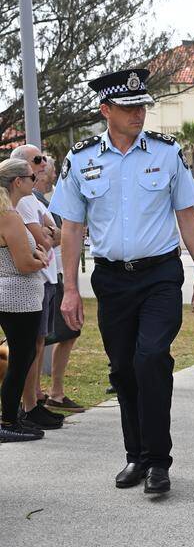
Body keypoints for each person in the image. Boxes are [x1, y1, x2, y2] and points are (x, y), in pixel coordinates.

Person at [49, 68, 194, 494]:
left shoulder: (165, 152)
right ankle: (135, 456)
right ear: (106, 111)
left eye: (142, 106)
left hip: (160, 274)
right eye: (129, 107)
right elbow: (70, 227)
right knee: (123, 368)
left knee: (151, 358)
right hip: (111, 280)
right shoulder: (81, 159)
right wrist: (70, 288)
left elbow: (186, 213)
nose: (139, 113)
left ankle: (159, 462)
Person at [10, 145, 64, 431]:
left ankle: (33, 402)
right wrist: (50, 234)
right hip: (33, 283)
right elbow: (45, 240)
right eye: (37, 160)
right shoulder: (23, 202)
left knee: (37, 344)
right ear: (20, 173)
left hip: (46, 280)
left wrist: (51, 234)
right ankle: (27, 406)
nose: (43, 164)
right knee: (30, 347)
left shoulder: (35, 199)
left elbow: (56, 234)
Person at [0, 159, 49, 442]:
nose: (36, 179)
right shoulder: (10, 216)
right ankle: (8, 420)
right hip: (18, 298)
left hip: (14, 296)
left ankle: (11, 416)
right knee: (21, 357)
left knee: (22, 355)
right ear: (18, 182)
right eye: (32, 176)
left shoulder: (9, 214)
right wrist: (40, 258)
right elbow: (23, 263)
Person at [33, 160, 84, 412]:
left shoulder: (46, 201)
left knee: (67, 333)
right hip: (45, 278)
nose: (52, 172)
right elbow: (47, 237)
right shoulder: (30, 201)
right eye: (46, 167)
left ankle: (51, 392)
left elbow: (58, 233)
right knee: (42, 338)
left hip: (58, 275)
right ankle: (41, 394)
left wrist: (59, 233)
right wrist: (60, 233)